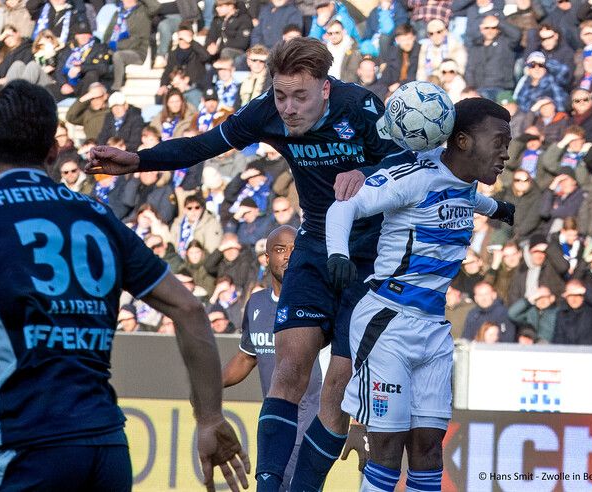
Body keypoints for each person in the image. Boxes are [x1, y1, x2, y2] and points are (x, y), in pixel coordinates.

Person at [0, 81, 249, 492]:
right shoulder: (98, 215)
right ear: (54, 151)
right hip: (106, 452)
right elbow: (189, 310)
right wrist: (210, 417)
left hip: (24, 446)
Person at [85, 36, 403, 491]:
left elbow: (409, 161)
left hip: (369, 254)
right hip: (314, 244)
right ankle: (268, 487)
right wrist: (138, 161)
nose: (288, 108)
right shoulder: (265, 111)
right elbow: (203, 145)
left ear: (326, 88)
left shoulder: (361, 107)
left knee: (336, 387)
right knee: (289, 369)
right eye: (280, 95)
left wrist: (370, 173)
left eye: (300, 96)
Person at [324, 97, 515, 491]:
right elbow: (342, 209)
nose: (505, 153)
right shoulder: (414, 178)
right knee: (388, 448)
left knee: (429, 449)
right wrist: (338, 253)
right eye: (498, 141)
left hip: (434, 330)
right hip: (387, 323)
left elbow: (465, 198)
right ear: (462, 141)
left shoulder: (466, 184)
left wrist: (497, 208)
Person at [223, 225, 330, 491]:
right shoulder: (256, 303)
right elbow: (247, 358)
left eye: (295, 250)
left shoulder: (321, 301)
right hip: (275, 421)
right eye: (280, 250)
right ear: (266, 258)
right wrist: (210, 384)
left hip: (309, 422)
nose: (288, 256)